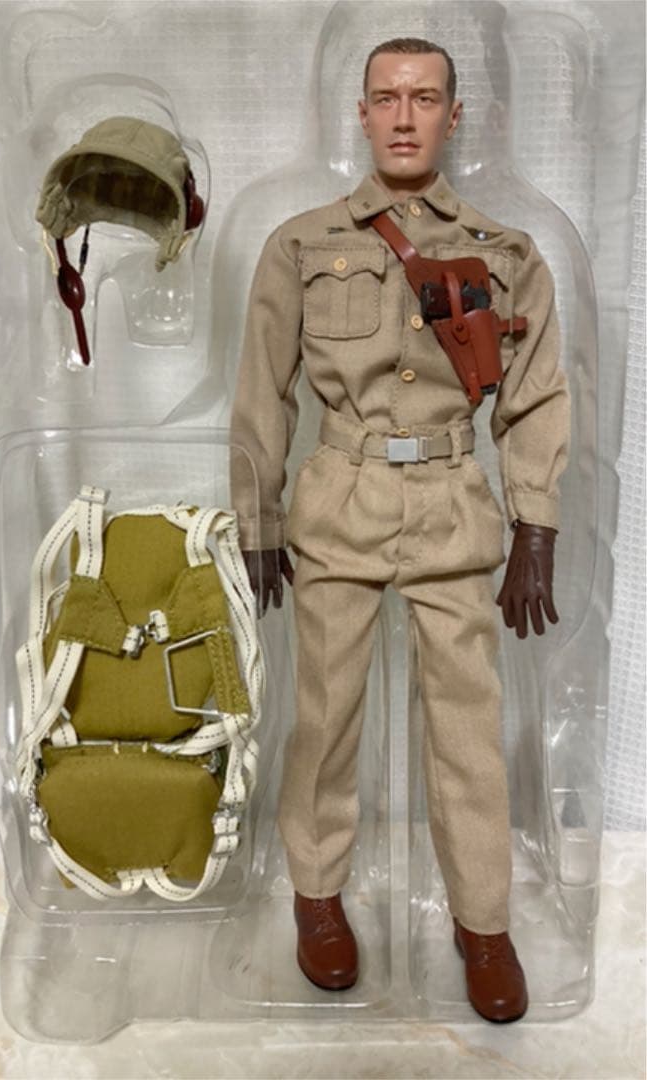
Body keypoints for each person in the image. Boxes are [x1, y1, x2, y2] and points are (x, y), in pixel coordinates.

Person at [229, 37, 569, 1023]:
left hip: (453, 503)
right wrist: (256, 515)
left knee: (467, 727)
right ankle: (317, 894)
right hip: (339, 499)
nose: (405, 116)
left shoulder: (505, 251)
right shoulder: (302, 244)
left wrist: (536, 525)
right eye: (386, 97)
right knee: (325, 716)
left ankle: (482, 920)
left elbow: (537, 397)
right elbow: (262, 389)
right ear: (362, 112)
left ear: (454, 116)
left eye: (424, 98)